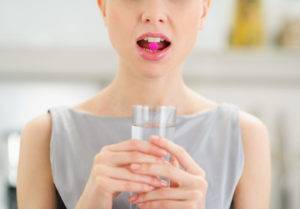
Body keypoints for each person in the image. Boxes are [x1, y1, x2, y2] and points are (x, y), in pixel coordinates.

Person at [16, 0, 271, 209]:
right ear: (103, 7)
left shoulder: (245, 135)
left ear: (204, 9)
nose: (154, 14)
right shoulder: (45, 135)